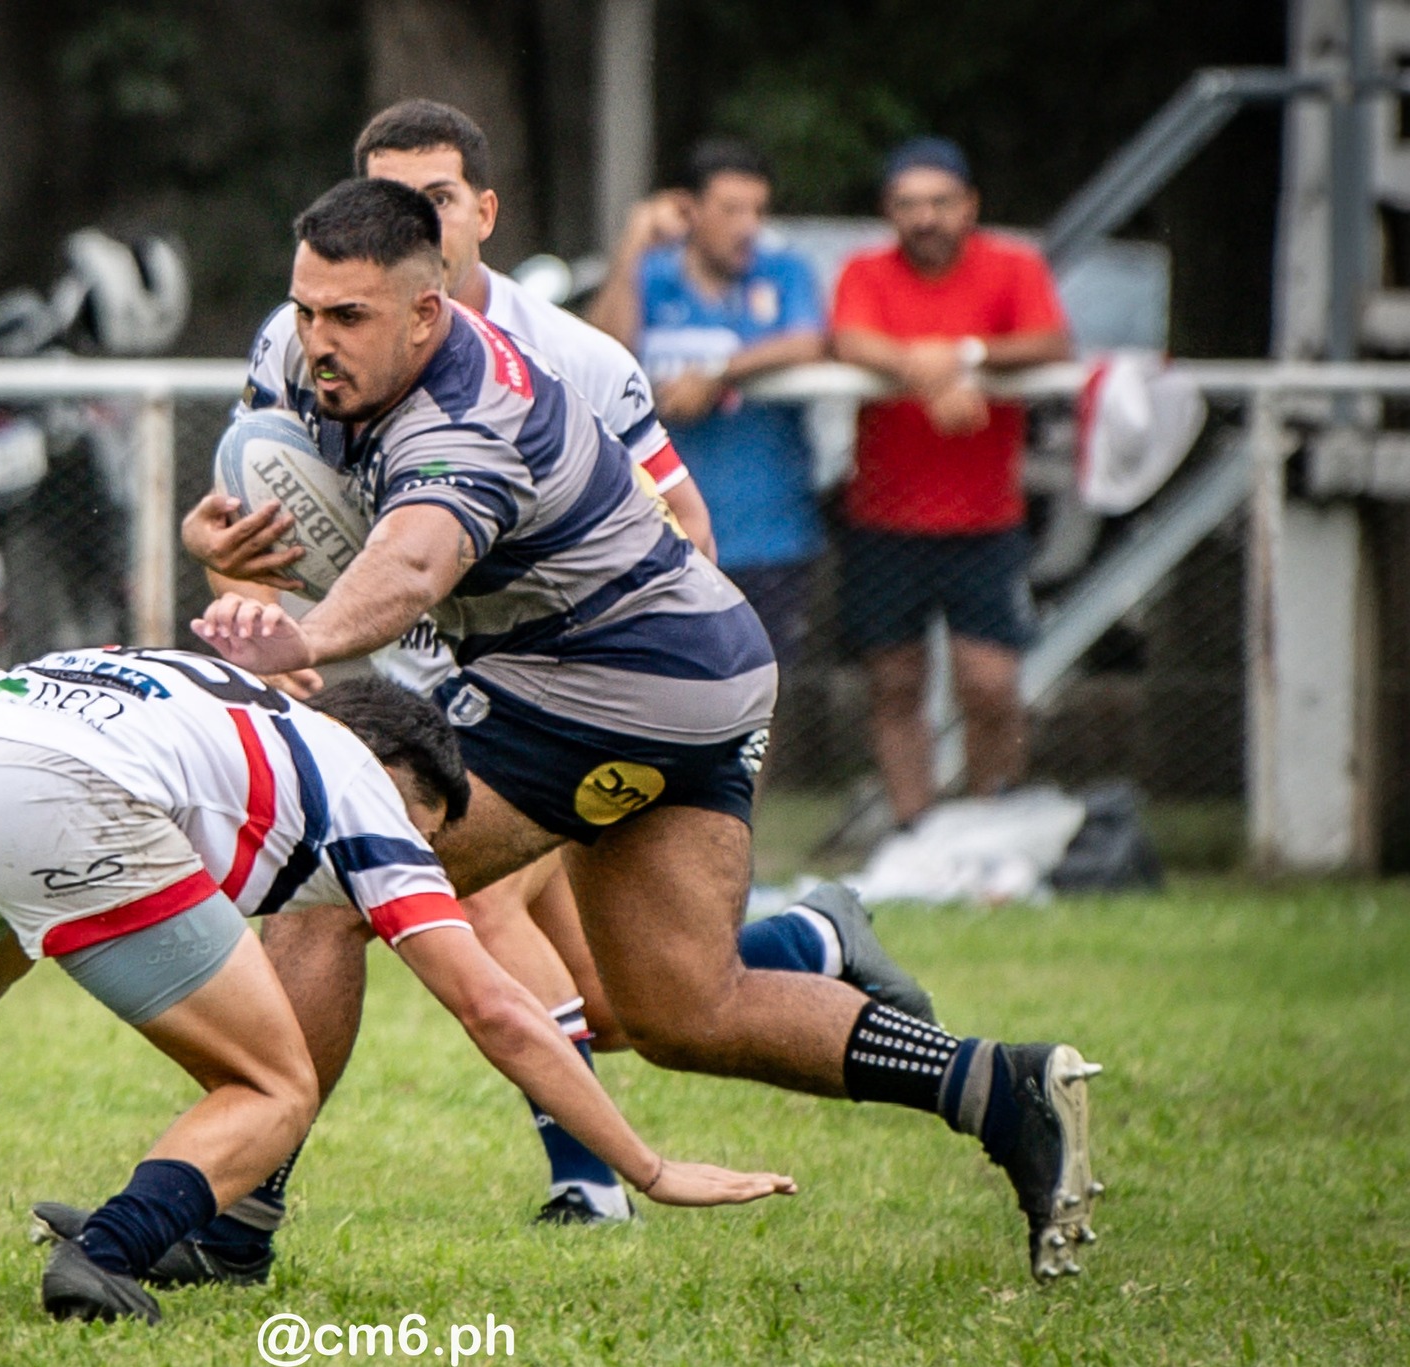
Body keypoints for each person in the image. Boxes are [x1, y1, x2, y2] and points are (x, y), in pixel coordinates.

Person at [185, 178, 1102, 1287]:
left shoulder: (471, 409)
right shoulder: (307, 354)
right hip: (685, 668)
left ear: (427, 311)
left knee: (328, 879)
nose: (316, 342)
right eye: (306, 310)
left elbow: (415, 561)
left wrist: (308, 637)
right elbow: (260, 485)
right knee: (679, 1007)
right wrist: (221, 535)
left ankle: (224, 1225)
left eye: (348, 318)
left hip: (612, 681)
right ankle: (1001, 1089)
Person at [0, 650, 794, 1324]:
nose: (411, 866)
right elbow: (496, 1009)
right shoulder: (369, 794)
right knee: (275, 1082)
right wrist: (647, 1165)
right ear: (407, 780)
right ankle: (106, 1253)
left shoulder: (209, 688)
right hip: (56, 795)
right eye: (428, 838)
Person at [338, 101, 930, 1228]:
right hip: (430, 691)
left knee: (471, 907)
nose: (411, 220)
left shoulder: (558, 352)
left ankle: (585, 1179)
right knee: (619, 1002)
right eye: (388, 197)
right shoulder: (328, 336)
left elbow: (685, 527)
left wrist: (598, 682)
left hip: (567, 695)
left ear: (483, 212)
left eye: (437, 198)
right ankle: (814, 936)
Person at [828, 137, 1073, 826]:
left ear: (969, 206)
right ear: (889, 211)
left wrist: (964, 354)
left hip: (986, 517)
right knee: (894, 682)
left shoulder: (1013, 267)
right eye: (908, 204)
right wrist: (929, 373)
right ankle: (918, 830)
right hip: (884, 515)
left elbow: (1051, 341)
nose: (925, 217)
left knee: (991, 683)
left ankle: (988, 820)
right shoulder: (866, 272)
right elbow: (849, 340)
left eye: (939, 202)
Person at [590, 138, 826, 669]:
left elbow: (809, 341)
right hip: (659, 531)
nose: (747, 226)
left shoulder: (784, 272)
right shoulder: (651, 275)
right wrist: (633, 244)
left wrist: (718, 376)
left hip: (770, 534)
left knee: (762, 692)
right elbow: (604, 349)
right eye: (731, 210)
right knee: (662, 691)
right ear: (690, 209)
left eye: (758, 212)